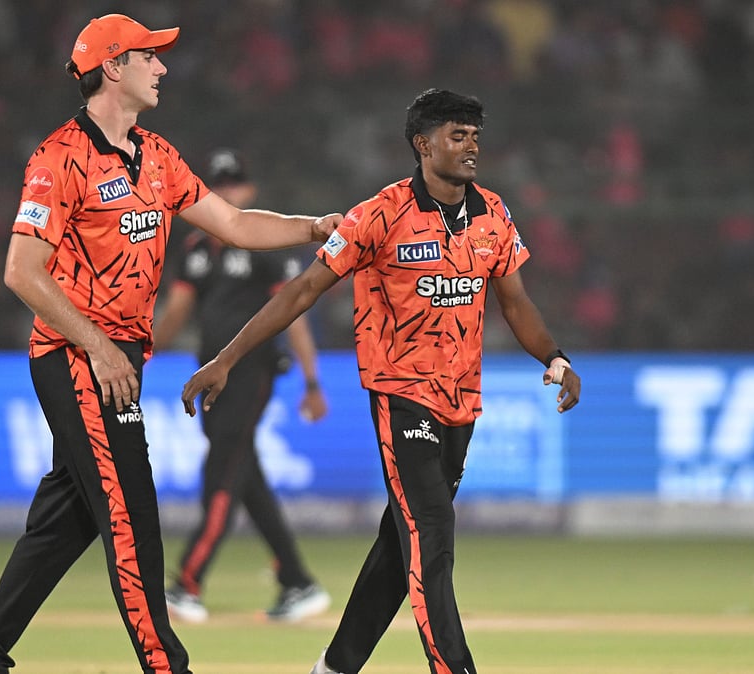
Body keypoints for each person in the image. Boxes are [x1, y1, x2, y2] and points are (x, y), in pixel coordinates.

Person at [0, 13, 341, 674]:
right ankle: (167, 666)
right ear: (111, 67)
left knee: (67, 518)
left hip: (116, 359)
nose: (161, 67)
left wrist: (312, 227)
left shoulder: (157, 157)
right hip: (78, 360)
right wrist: (100, 349)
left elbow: (236, 223)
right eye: (148, 57)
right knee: (132, 515)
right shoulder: (58, 159)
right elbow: (21, 271)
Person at [180, 89, 581, 674]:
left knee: (401, 547)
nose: (471, 147)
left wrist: (556, 356)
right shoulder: (378, 215)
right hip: (399, 398)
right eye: (457, 135)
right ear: (423, 144)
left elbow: (515, 302)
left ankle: (336, 666)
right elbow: (302, 290)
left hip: (461, 403)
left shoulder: (494, 214)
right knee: (433, 533)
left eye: (475, 135)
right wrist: (227, 358)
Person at [155, 148, 332, 623]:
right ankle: (298, 581)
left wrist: (312, 381)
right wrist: (136, 349)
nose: (228, 193)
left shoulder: (265, 244)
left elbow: (294, 313)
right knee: (242, 474)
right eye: (219, 186)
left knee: (222, 472)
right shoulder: (195, 249)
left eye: (235, 186)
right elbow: (175, 313)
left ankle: (187, 583)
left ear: (249, 192)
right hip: (210, 378)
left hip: (250, 375)